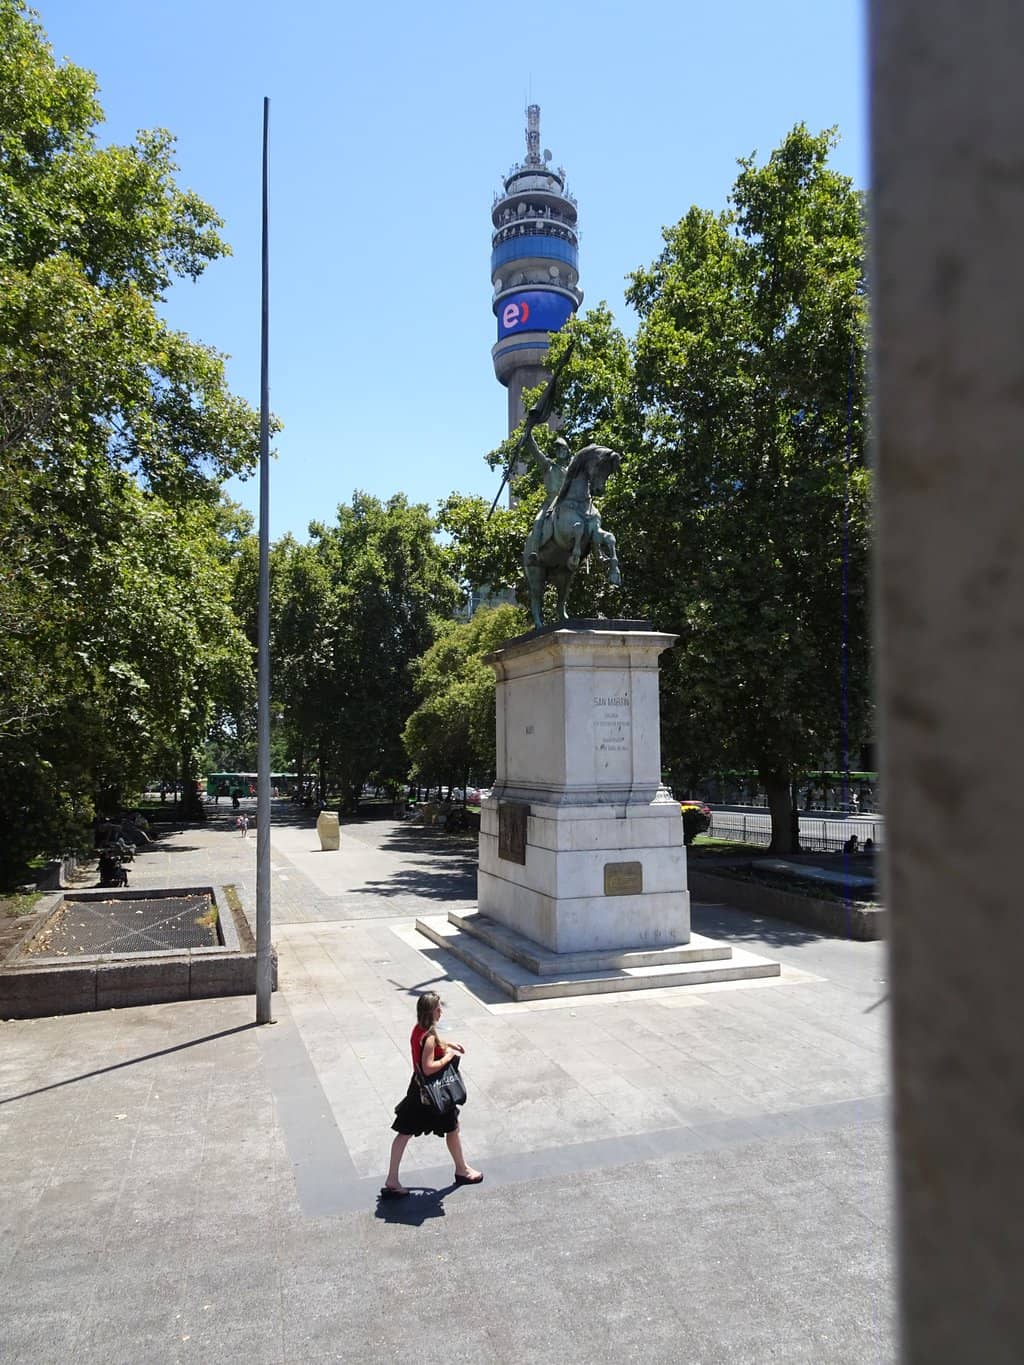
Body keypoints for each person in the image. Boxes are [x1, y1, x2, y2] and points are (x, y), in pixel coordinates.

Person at [382, 991, 482, 1198]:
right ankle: (462, 1171)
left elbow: (431, 1042)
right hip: (432, 1093)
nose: (441, 1010)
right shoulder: (428, 1037)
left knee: (405, 1132)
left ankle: (392, 1179)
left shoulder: (419, 1030)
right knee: (452, 1127)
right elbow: (428, 1067)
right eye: (438, 1008)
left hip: (417, 1089)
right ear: (431, 1012)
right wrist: (448, 1057)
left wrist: (448, 1044)